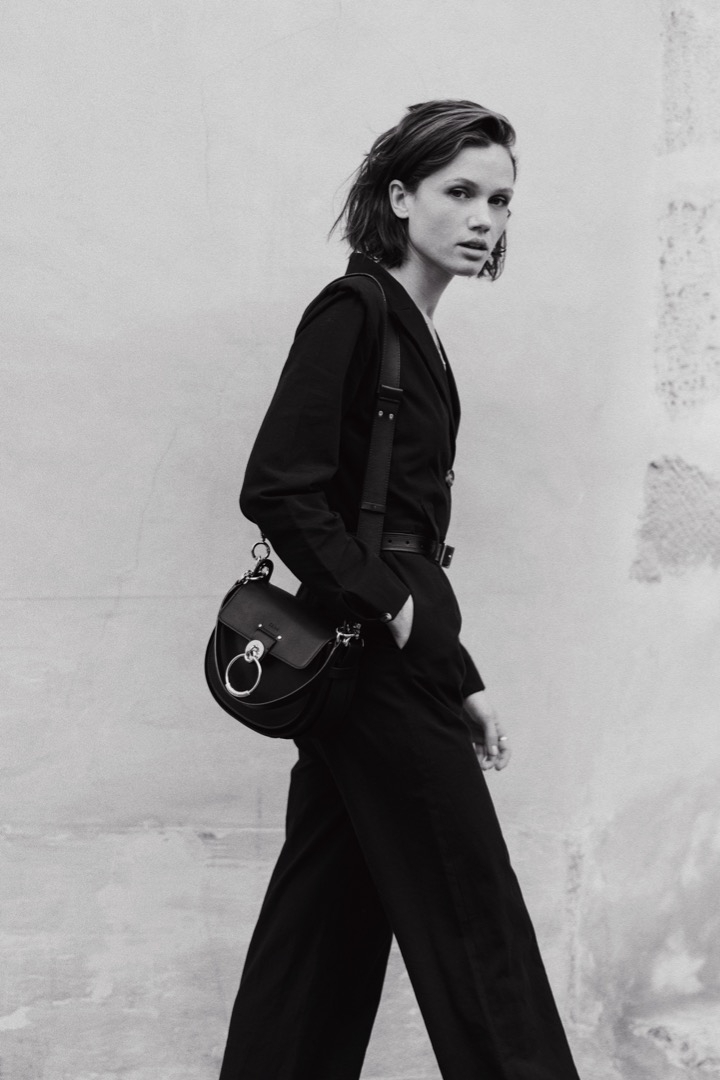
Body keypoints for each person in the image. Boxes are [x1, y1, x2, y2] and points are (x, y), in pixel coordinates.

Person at [217, 100, 581, 1080]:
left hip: (396, 649)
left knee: (321, 925)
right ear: (399, 198)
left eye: (500, 201)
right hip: (374, 651)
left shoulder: (414, 328)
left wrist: (460, 673)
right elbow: (280, 488)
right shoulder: (358, 310)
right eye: (460, 192)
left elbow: (393, 522)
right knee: (474, 911)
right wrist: (398, 614)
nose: (484, 219)